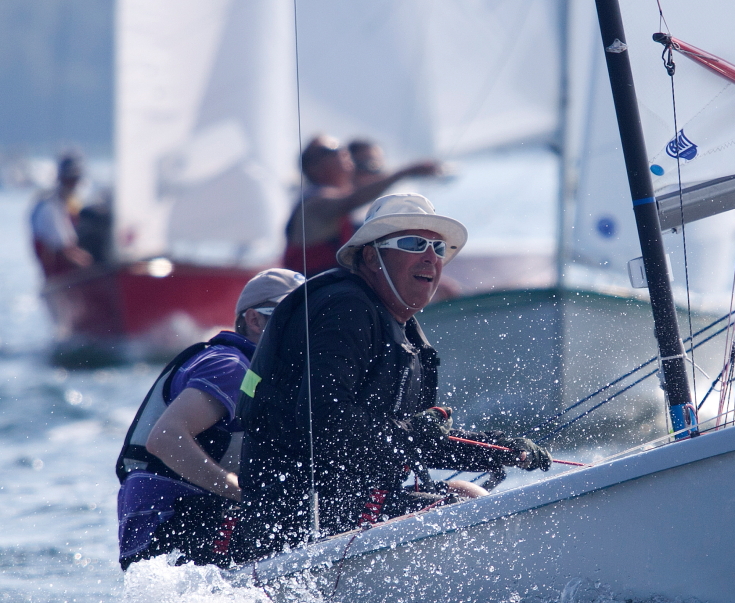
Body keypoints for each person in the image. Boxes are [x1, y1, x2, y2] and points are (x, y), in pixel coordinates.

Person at [235, 195, 551, 562]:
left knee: (467, 495)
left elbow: (412, 439)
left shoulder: (408, 334)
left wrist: (501, 449)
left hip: (354, 509)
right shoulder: (345, 308)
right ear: (371, 257)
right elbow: (324, 419)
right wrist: (413, 433)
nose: (432, 257)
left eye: (437, 247)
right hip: (300, 526)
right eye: (414, 244)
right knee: (466, 506)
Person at [114, 268, 306, 570]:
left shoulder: (257, 374)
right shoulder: (230, 366)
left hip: (181, 521)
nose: (303, 329)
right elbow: (164, 439)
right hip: (171, 519)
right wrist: (243, 492)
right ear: (255, 320)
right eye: (291, 318)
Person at [283, 136, 441, 276]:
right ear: (313, 166)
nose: (344, 154)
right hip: (315, 299)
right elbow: (353, 199)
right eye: (334, 150)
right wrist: (406, 172)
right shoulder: (315, 203)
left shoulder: (333, 204)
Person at [30, 153, 93, 279]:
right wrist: (92, 267)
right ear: (62, 179)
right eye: (70, 180)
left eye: (76, 180)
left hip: (69, 269)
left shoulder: (64, 205)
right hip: (60, 276)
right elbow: (63, 250)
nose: (74, 185)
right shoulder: (49, 208)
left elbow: (70, 245)